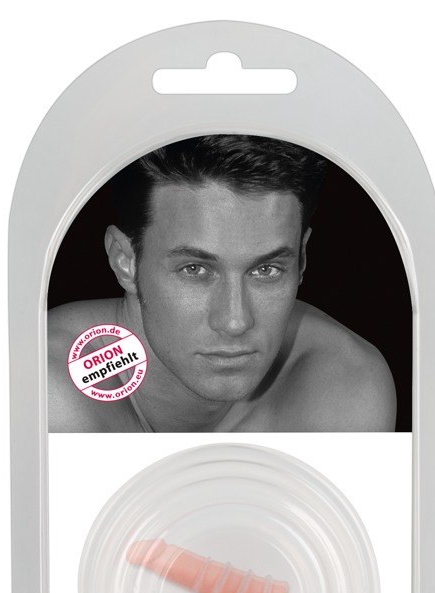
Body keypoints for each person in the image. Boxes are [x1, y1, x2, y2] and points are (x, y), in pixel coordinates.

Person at [48, 135, 396, 432]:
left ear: (302, 259)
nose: (235, 322)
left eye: (266, 270)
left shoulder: (343, 386)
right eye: (195, 269)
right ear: (125, 261)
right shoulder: (48, 392)